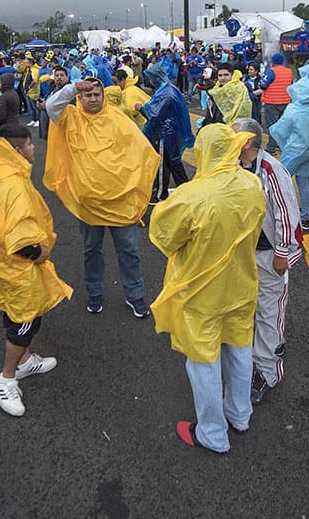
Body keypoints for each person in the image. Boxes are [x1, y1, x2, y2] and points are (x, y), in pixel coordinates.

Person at [150, 124, 266, 453]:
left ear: (202, 152)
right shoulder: (252, 183)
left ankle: (213, 433)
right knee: (240, 351)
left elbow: (164, 238)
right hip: (242, 285)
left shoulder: (190, 196)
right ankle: (240, 415)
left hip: (201, 293)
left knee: (203, 361)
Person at [0, 125, 72, 417]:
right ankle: (6, 378)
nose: (34, 149)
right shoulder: (15, 186)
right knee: (25, 320)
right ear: (18, 151)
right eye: (30, 145)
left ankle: (23, 362)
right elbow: (19, 239)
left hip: (2, 264)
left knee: (21, 314)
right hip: (16, 267)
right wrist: (40, 252)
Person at [45, 76, 160, 316]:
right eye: (88, 95)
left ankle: (135, 295)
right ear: (80, 97)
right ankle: (95, 293)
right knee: (91, 250)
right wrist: (74, 86)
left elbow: (140, 151)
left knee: (129, 251)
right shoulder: (70, 118)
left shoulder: (117, 118)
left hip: (121, 201)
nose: (93, 98)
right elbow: (51, 106)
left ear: (103, 96)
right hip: (89, 204)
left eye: (97, 94)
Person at [233, 119, 303, 405]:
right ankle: (262, 350)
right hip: (245, 253)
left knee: (268, 310)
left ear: (248, 142)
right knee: (250, 308)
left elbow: (287, 212)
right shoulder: (234, 165)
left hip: (269, 253)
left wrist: (282, 253)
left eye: (234, 135)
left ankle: (266, 372)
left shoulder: (271, 169)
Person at [269, 77, 309, 232]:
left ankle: (278, 211)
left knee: (280, 179)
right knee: (304, 183)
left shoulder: (293, 109)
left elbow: (281, 129)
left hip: (294, 150)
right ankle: (304, 218)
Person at [138, 64, 194, 202]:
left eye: (151, 78)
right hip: (171, 133)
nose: (150, 81)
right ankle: (185, 189)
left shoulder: (166, 93)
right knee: (174, 162)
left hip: (165, 135)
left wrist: (141, 108)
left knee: (163, 164)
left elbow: (154, 114)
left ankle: (160, 195)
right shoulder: (168, 89)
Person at [258, 53, 294, 153]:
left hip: (272, 102)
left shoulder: (271, 72)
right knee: (283, 125)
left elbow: (263, 85)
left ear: (273, 61)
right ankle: (280, 144)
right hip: (286, 102)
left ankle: (271, 147)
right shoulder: (289, 72)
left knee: (272, 125)